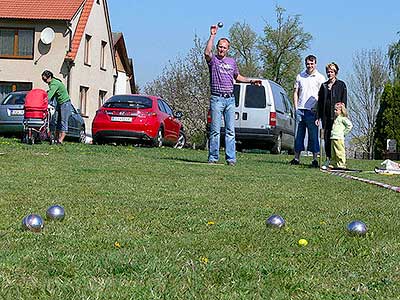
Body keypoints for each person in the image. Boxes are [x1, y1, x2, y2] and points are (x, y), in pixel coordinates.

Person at [205, 24, 260, 166]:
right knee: (215, 131)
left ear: (228, 49)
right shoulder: (214, 61)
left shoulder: (232, 62)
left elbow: (238, 77)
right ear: (218, 47)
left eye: (224, 47)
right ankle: (213, 158)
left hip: (230, 99)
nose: (222, 49)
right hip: (217, 98)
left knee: (230, 131)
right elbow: (206, 53)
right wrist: (212, 35)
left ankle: (231, 159)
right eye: (220, 46)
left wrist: (251, 81)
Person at [290, 55, 325, 167]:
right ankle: (296, 158)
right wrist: (296, 108)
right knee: (298, 135)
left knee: (313, 136)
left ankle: (315, 159)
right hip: (300, 110)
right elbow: (295, 92)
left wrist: (318, 110)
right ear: (305, 64)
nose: (310, 66)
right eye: (308, 64)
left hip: (313, 111)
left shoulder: (320, 78)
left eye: (312, 63)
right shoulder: (300, 76)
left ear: (315, 64)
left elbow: (322, 96)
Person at [317, 62, 348, 167]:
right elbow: (320, 103)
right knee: (326, 138)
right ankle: (329, 159)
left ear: (336, 72)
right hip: (326, 116)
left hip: (337, 117)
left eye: (332, 72)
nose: (329, 74)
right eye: (328, 72)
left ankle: (339, 161)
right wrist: (318, 117)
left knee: (336, 139)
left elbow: (344, 101)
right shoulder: (324, 86)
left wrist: (342, 114)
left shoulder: (341, 85)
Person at [41, 70, 72, 144]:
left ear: (50, 77)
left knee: (63, 121)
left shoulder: (54, 84)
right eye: (43, 79)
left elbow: (49, 96)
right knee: (56, 121)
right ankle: (56, 138)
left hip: (65, 103)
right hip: (59, 103)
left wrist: (41, 103)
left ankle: (60, 140)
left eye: (45, 79)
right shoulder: (52, 83)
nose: (44, 81)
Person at [329, 103, 352, 169]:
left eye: (336, 110)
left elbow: (349, 125)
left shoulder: (343, 118)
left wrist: (343, 133)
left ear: (341, 110)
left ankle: (341, 164)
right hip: (333, 137)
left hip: (339, 138)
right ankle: (333, 163)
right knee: (333, 152)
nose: (334, 111)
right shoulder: (336, 118)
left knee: (339, 151)